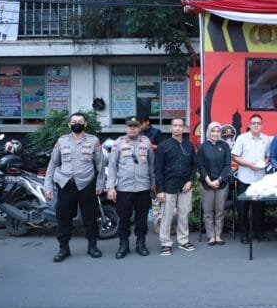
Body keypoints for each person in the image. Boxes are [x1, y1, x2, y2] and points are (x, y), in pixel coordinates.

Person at [44, 112, 106, 262]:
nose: (76, 123)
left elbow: (100, 164)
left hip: (86, 184)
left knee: (90, 217)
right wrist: (48, 185)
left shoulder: (93, 141)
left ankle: (92, 246)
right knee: (63, 217)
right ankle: (63, 248)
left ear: (85, 124)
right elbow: (53, 164)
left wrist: (100, 183)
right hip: (65, 184)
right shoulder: (62, 141)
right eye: (74, 121)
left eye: (80, 121)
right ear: (69, 125)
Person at [106, 116, 154, 259]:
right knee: (124, 218)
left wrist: (154, 183)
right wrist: (110, 187)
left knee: (141, 218)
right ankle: (123, 245)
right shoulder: (118, 143)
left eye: (135, 126)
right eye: (130, 126)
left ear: (140, 128)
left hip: (143, 188)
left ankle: (140, 244)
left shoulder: (146, 142)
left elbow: (152, 164)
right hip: (124, 188)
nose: (132, 128)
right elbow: (112, 166)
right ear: (126, 128)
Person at [154, 118, 198, 256]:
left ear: (183, 128)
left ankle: (183, 240)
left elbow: (194, 165)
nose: (178, 128)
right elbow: (158, 169)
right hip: (168, 186)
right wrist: (160, 190)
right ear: (171, 128)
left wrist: (191, 181)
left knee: (184, 215)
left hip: (185, 186)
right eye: (175, 125)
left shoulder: (189, 145)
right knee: (166, 216)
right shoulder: (163, 146)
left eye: (180, 126)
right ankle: (165, 243)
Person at [232, 114, 271, 244]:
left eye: (258, 123)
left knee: (259, 209)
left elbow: (268, 157)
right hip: (244, 178)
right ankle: (244, 235)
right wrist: (250, 165)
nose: (256, 125)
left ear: (262, 125)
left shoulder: (266, 139)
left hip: (260, 179)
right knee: (243, 208)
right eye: (253, 123)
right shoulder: (241, 138)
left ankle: (259, 234)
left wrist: (264, 163)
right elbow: (235, 156)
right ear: (249, 125)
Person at [197, 121, 232, 246]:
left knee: (220, 210)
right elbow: (200, 166)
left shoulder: (225, 146)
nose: (215, 133)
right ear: (208, 132)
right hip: (206, 183)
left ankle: (218, 234)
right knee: (208, 211)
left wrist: (218, 180)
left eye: (218, 131)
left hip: (221, 184)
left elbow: (228, 165)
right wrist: (208, 181)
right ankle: (211, 236)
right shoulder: (203, 147)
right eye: (213, 131)